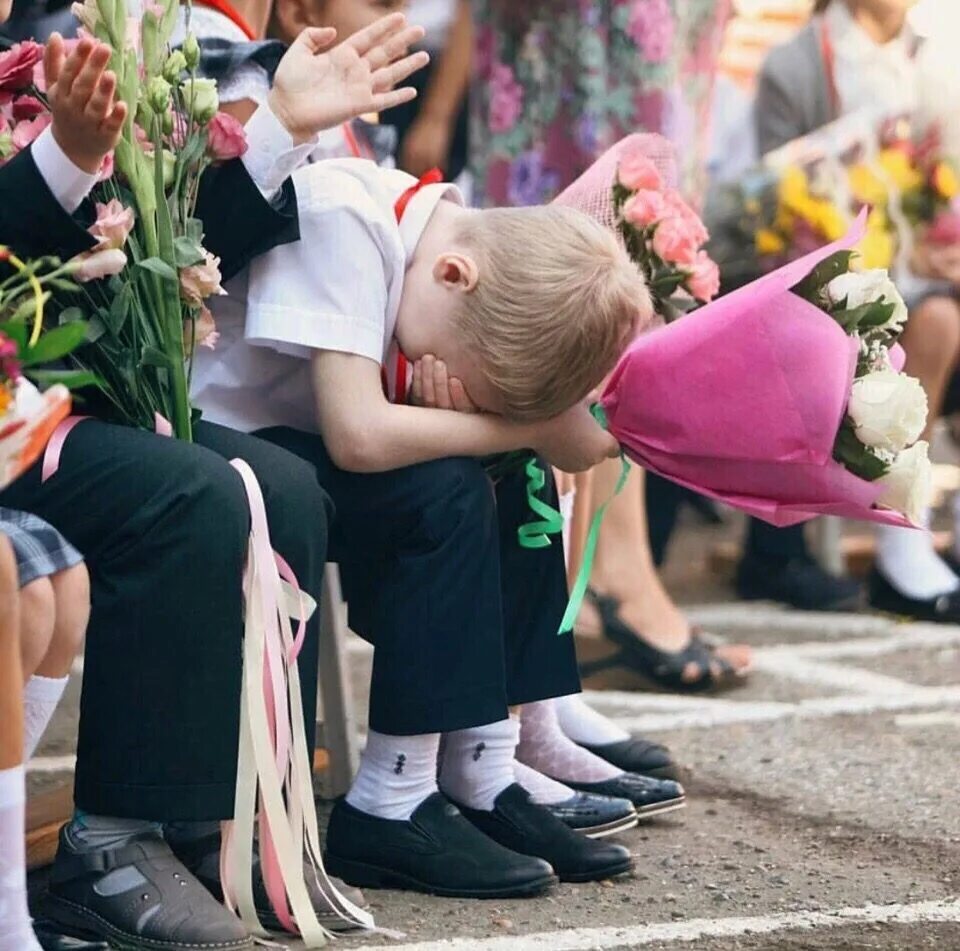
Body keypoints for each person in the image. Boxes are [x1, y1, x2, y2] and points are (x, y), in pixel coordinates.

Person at [0, 17, 430, 949]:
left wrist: (275, 125)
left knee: (278, 486)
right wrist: (66, 161)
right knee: (190, 495)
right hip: (19, 413)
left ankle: (222, 818)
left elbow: (158, 262)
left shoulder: (50, 56)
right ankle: (110, 846)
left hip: (54, 396)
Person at [193, 156, 693, 895]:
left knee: (499, 474)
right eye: (467, 366)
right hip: (226, 441)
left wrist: (515, 431)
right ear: (456, 275)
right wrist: (522, 426)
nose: (444, 370)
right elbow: (357, 434)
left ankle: (487, 761)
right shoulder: (346, 218)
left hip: (297, 443)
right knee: (454, 485)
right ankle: (390, 802)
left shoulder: (445, 234)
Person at [467, 0, 753, 700]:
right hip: (580, 41)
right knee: (590, 265)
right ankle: (602, 577)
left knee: (647, 261)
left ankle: (598, 581)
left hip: (649, 36)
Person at [754, 0, 960, 622]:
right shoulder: (794, 66)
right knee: (940, 320)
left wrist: (941, 249)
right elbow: (776, 213)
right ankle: (901, 536)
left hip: (927, 274)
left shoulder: (936, 57)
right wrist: (896, 253)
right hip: (833, 283)